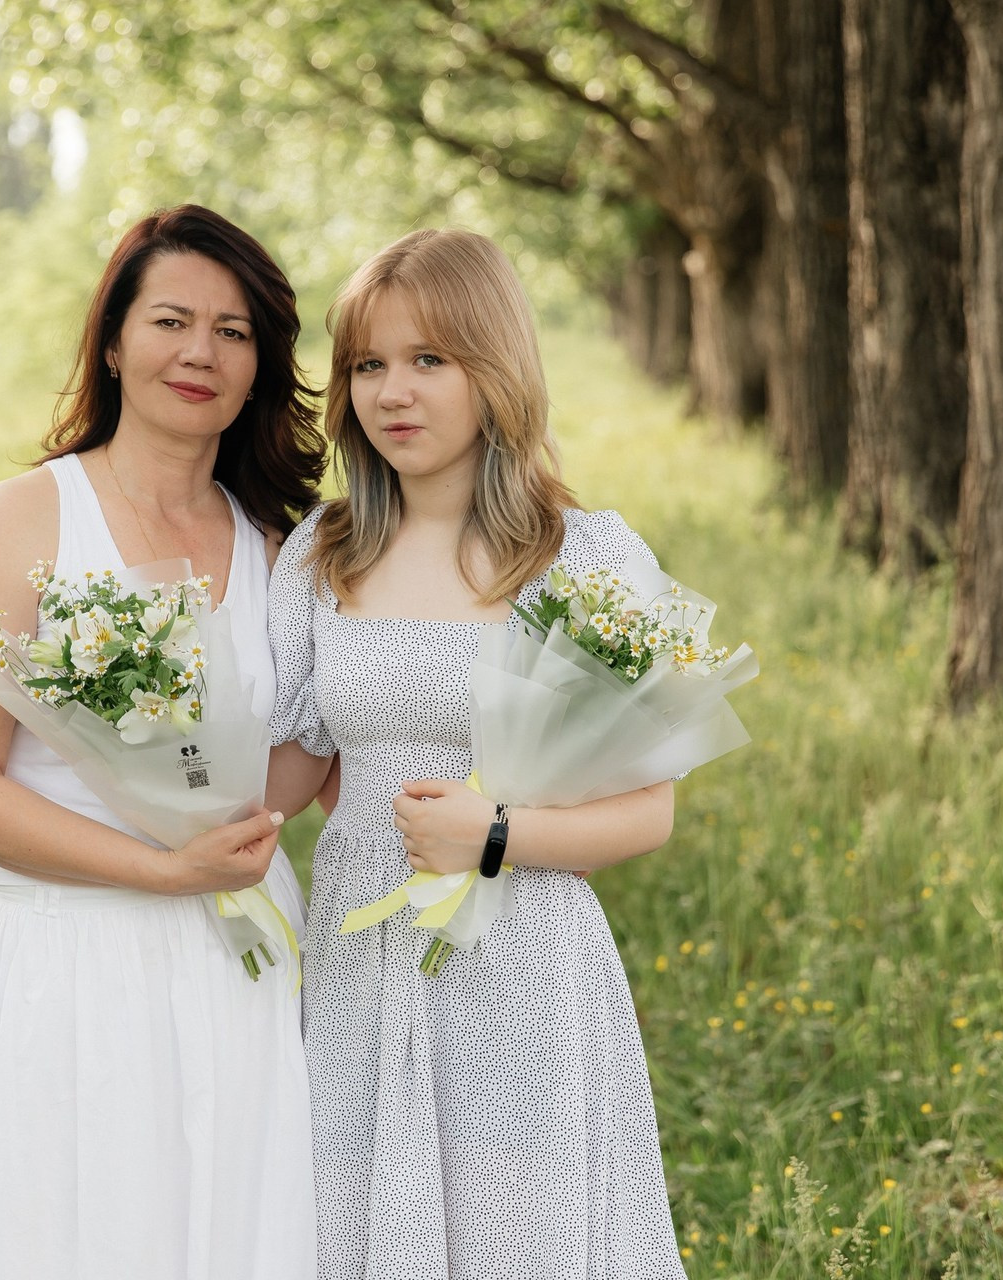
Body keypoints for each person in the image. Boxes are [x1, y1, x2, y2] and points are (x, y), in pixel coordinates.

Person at [265, 228, 688, 1279]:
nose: (390, 392)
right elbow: (279, 778)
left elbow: (648, 810)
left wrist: (492, 833)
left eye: (428, 360)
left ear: (492, 368)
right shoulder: (318, 554)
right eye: (366, 364)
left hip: (524, 954)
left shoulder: (580, 557)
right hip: (359, 953)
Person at [0, 205, 324, 1279]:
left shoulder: (278, 548)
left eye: (233, 333)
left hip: (237, 949)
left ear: (260, 370)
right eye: (171, 320)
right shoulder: (23, 517)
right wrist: (158, 867)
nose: (199, 352)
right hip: (70, 957)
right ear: (111, 339)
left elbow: (274, 774)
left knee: (238, 1235)